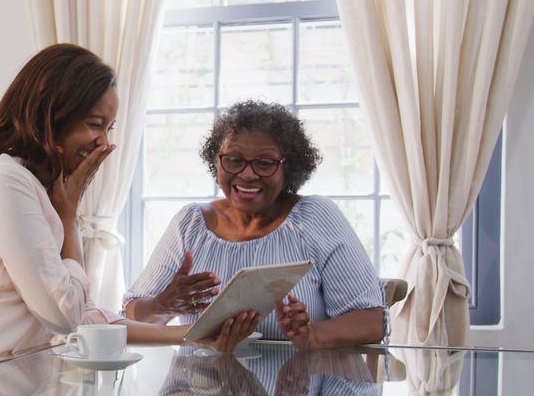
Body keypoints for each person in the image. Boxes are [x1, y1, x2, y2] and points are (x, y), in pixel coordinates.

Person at [0, 44, 257, 381]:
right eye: (94, 124)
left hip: (9, 380)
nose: (104, 142)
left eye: (109, 128)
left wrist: (191, 333)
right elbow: (64, 316)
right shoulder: (6, 182)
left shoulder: (40, 187)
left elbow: (84, 314)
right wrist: (70, 218)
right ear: (52, 115)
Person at [123, 100, 385, 350]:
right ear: (217, 162)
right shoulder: (190, 223)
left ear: (288, 168)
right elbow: (131, 320)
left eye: (265, 163)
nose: (247, 174)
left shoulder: (315, 217)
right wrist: (163, 305)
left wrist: (312, 336)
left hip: (291, 391)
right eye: (234, 160)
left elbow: (372, 321)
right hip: (196, 392)